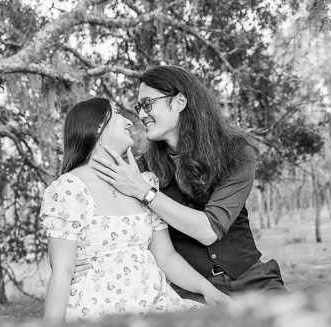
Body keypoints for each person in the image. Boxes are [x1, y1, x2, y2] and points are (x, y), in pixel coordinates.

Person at [89, 65, 287, 302]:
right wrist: (83, 260)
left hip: (252, 278)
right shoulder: (139, 171)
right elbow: (97, 214)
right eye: (139, 107)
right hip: (188, 290)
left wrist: (146, 192)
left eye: (148, 104)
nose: (141, 115)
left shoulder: (238, 153)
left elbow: (209, 230)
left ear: (180, 101)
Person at [40, 97, 231, 323]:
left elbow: (166, 256)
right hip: (98, 313)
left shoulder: (142, 183)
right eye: (118, 113)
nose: (129, 122)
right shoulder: (68, 190)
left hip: (155, 304)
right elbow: (62, 272)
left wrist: (207, 289)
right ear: (98, 127)